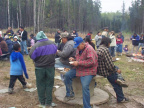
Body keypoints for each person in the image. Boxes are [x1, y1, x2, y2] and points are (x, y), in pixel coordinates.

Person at [64, 37, 98, 108]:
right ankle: (70, 94)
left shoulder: (89, 49)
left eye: (78, 46)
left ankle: (87, 106)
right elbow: (80, 58)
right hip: (79, 68)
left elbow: (91, 62)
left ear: (82, 43)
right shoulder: (79, 49)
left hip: (89, 70)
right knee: (67, 75)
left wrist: (78, 63)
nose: (77, 48)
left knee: (85, 86)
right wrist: (74, 59)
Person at [29, 31, 57, 107]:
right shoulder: (53, 43)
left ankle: (42, 101)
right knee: (49, 84)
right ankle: (48, 102)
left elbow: (31, 55)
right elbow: (56, 52)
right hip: (50, 67)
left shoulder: (36, 45)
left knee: (40, 84)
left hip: (40, 68)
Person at [97, 37, 129, 103]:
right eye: (109, 43)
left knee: (116, 67)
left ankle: (120, 78)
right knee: (117, 83)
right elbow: (109, 66)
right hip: (105, 71)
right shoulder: (105, 50)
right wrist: (116, 70)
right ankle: (121, 98)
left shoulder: (99, 48)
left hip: (100, 69)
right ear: (108, 43)